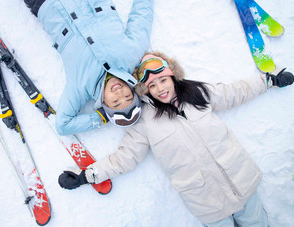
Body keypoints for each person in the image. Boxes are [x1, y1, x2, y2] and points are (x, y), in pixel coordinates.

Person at [57, 51, 294, 226]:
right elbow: (124, 157)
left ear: (173, 77)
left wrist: (268, 80)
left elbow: (235, 92)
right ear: (144, 90)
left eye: (163, 80)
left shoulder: (198, 94)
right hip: (207, 202)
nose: (160, 88)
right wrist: (87, 176)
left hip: (242, 181)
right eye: (151, 85)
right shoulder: (145, 122)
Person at [23, 0, 154, 135]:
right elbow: (142, 15)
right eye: (127, 96)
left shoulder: (81, 87)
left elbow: (63, 125)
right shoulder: (132, 56)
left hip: (47, 6)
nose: (119, 93)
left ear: (105, 105)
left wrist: (100, 117)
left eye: (115, 102)